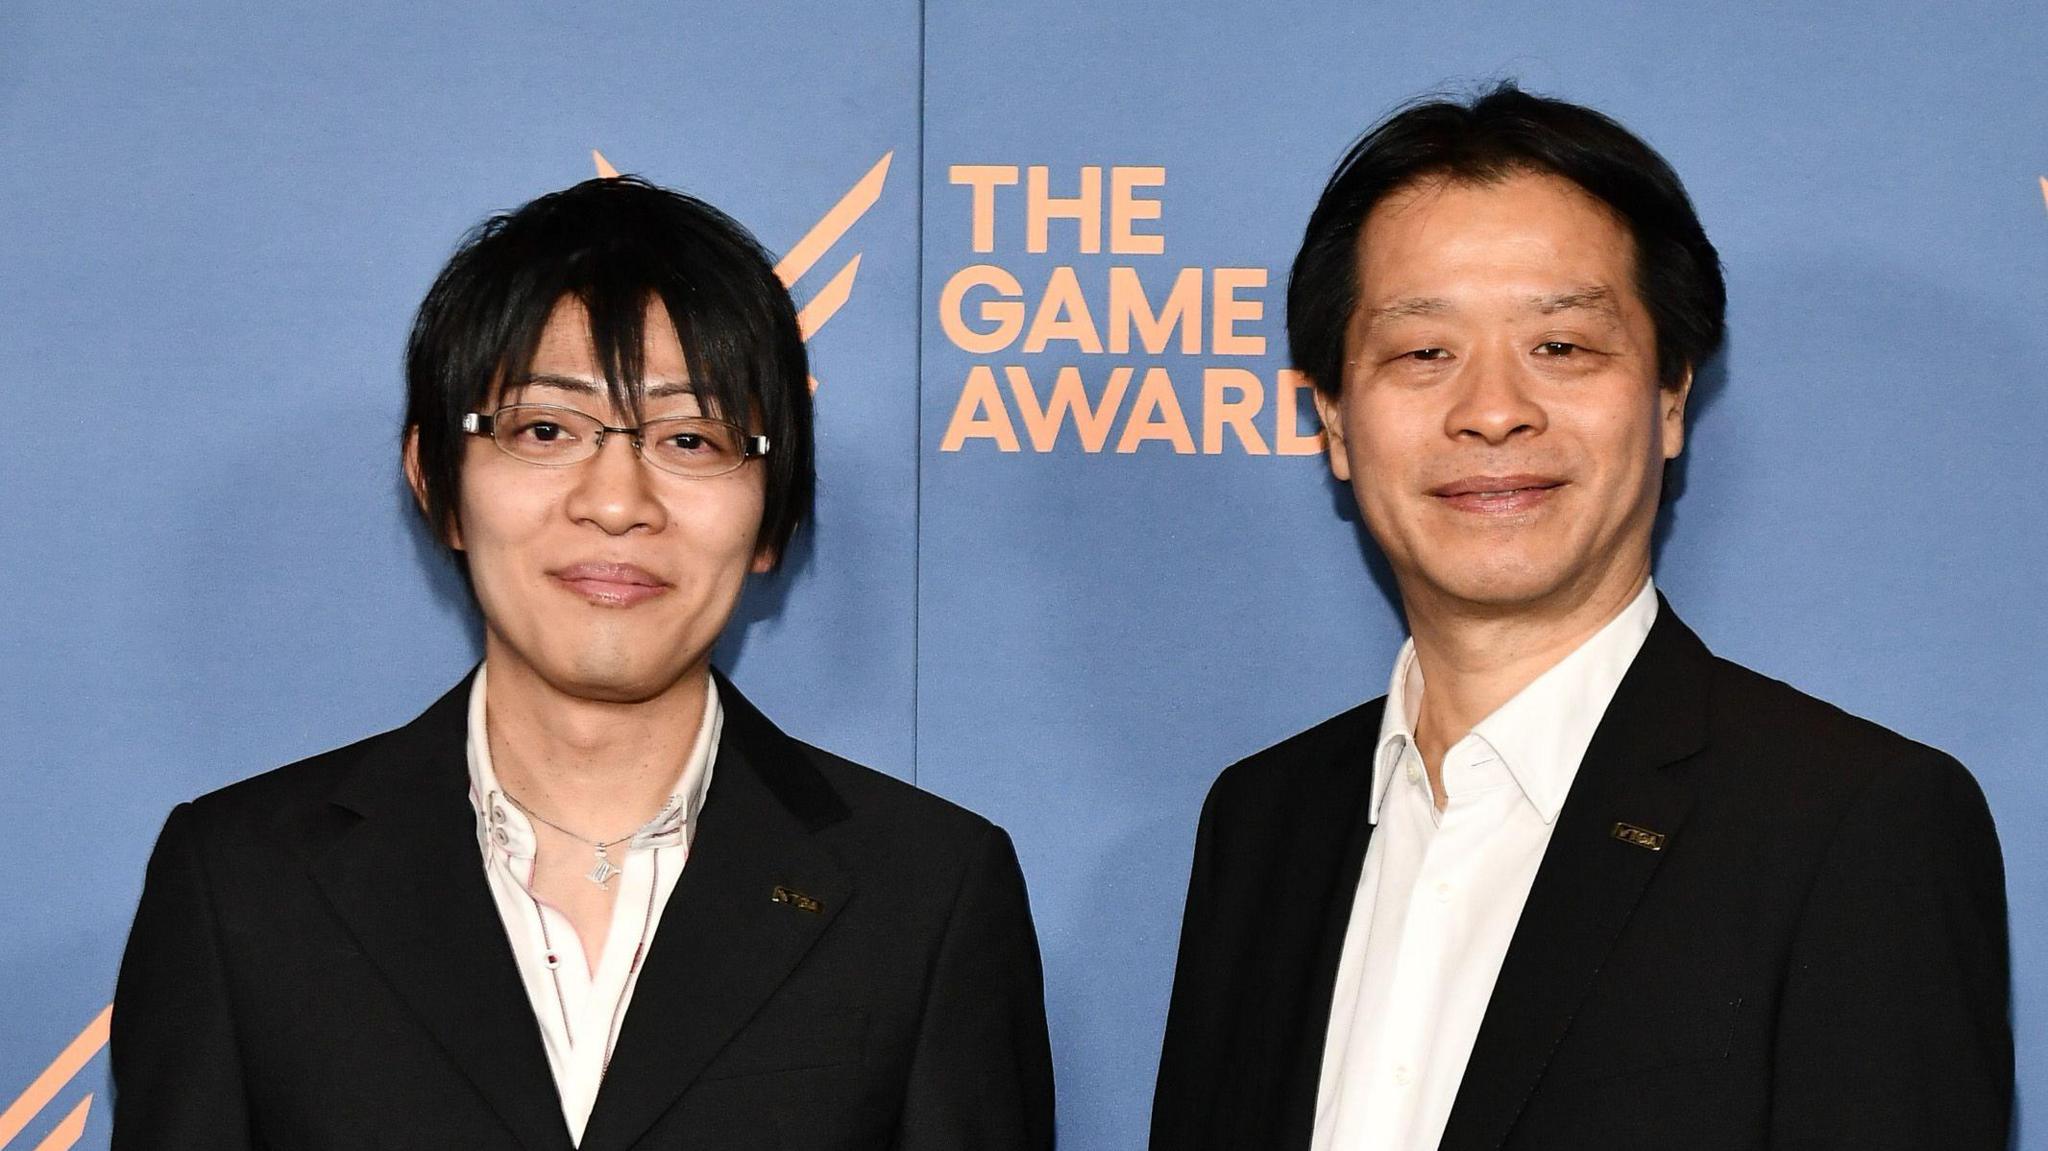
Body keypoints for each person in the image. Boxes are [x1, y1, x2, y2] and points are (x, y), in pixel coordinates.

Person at [113, 176, 1055, 1151]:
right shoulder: (242, 882)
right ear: (436, 481)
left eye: (690, 437)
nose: (616, 500)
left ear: (775, 510)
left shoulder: (926, 893)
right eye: (546, 431)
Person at [1150, 84, 2011, 1150]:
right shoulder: (1262, 820)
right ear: (1330, 416)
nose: (1492, 408)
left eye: (1560, 346)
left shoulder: (1847, 825)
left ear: (1666, 399)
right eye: (1423, 353)